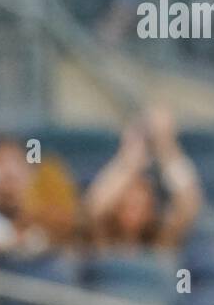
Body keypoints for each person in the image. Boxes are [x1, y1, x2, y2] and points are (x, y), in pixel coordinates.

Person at [84, 107, 203, 251]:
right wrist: (129, 159)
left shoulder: (160, 242)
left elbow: (188, 205)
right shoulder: (100, 241)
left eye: (141, 205)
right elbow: (94, 207)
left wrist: (166, 148)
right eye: (127, 204)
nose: (134, 211)